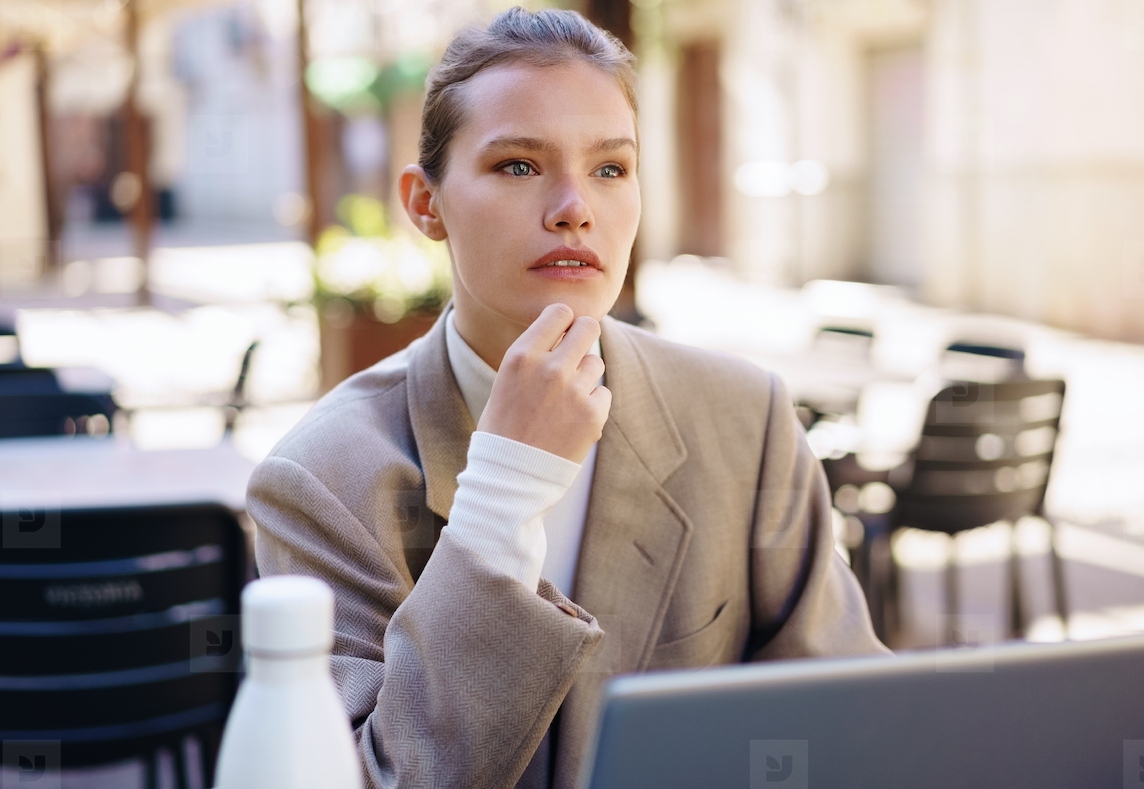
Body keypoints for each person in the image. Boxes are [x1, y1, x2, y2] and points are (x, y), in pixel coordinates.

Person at [246, 7, 888, 788]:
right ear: (424, 203)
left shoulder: (745, 419)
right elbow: (376, 776)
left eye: (610, 169)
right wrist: (503, 490)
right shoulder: (322, 478)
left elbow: (849, 725)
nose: (574, 207)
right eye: (519, 165)